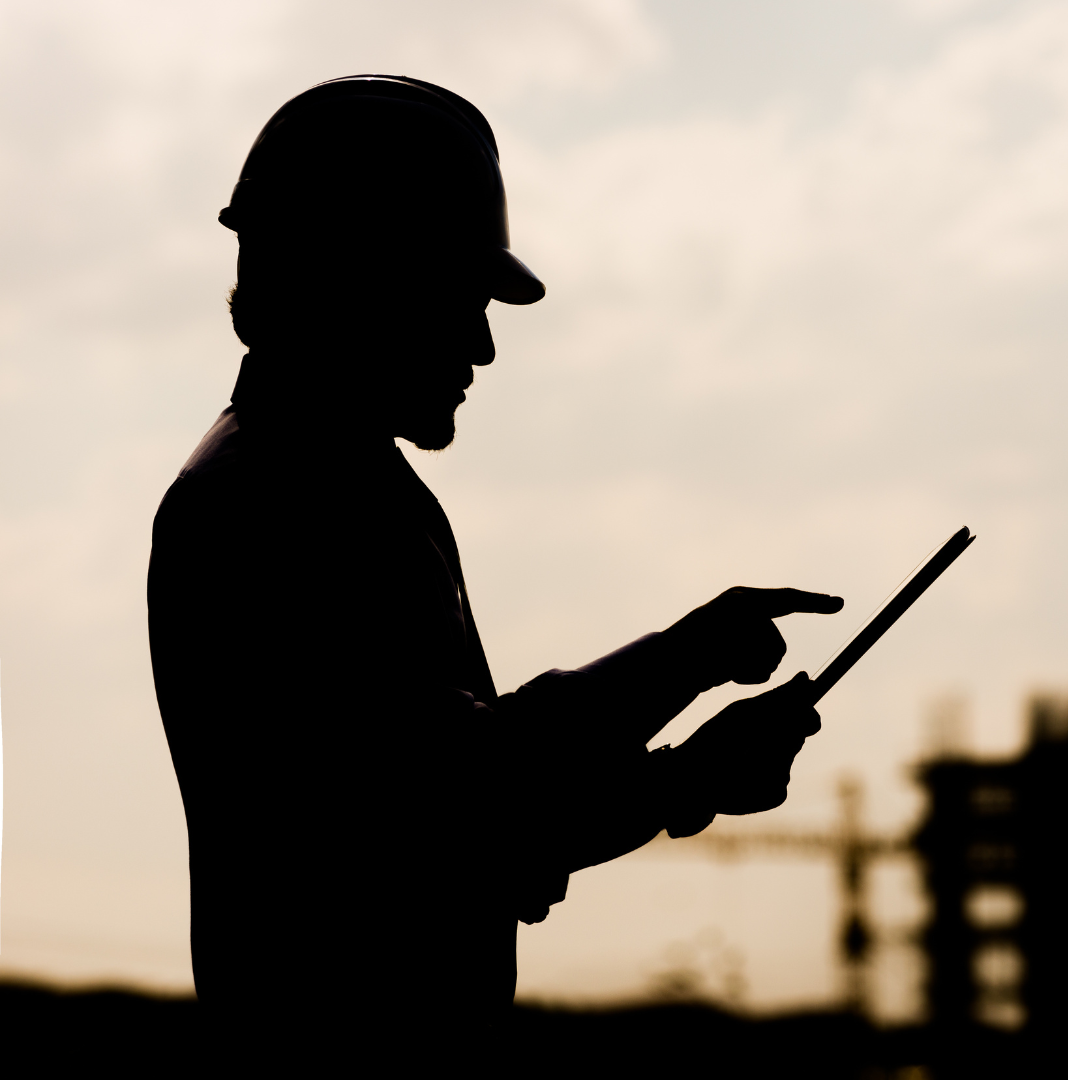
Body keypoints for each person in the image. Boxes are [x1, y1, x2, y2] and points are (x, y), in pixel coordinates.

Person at [146, 75, 843, 1065]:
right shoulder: (278, 502)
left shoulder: (332, 486)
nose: (480, 344)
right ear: (360, 278)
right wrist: (684, 734)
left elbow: (462, 810)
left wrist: (681, 715)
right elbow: (458, 815)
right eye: (457, 299)